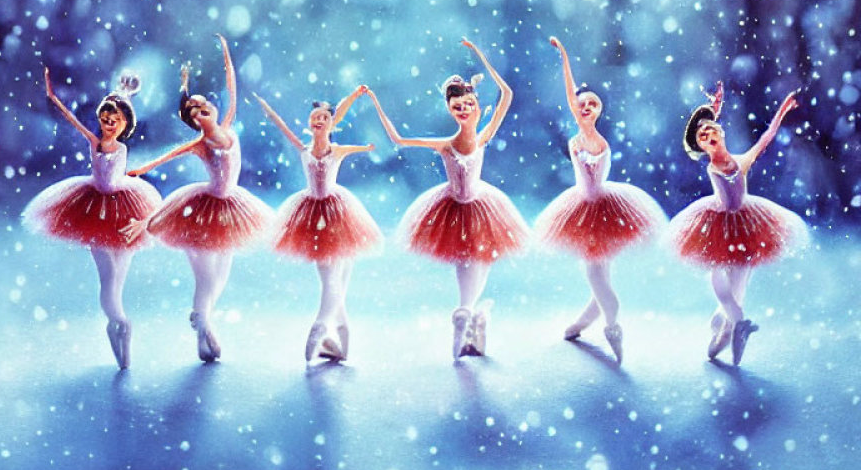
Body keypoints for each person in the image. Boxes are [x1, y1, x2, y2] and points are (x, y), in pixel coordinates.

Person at [365, 38, 529, 360]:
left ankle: (471, 318)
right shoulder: (448, 143)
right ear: (450, 110)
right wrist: (375, 102)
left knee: (482, 259)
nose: (465, 110)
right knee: (469, 259)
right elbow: (398, 138)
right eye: (458, 107)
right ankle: (465, 314)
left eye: (469, 104)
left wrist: (480, 55)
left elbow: (506, 95)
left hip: (482, 206)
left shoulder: (482, 136)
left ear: (476, 104)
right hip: (456, 209)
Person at [121, 35, 272, 362]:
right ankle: (204, 324)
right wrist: (135, 171)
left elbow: (232, 88)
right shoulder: (199, 144)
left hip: (233, 206)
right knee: (206, 277)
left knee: (222, 274)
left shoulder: (228, 123)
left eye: (206, 105)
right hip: (205, 206)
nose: (205, 109)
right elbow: (164, 158)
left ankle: (201, 315)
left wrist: (225, 56)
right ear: (194, 120)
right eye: (198, 110)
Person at [533, 37, 666, 363]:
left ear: (599, 111)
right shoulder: (578, 130)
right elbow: (570, 93)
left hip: (603, 208)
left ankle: (611, 325)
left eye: (592, 104)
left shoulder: (594, 138)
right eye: (582, 104)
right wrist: (564, 55)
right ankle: (582, 325)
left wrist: (565, 58)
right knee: (598, 275)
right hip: (582, 206)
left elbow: (573, 98)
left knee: (597, 276)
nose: (585, 107)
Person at [23, 68, 161, 370]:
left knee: (118, 278)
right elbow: (72, 120)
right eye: (105, 119)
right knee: (108, 280)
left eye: (115, 121)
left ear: (124, 125)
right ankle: (118, 321)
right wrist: (52, 96)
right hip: (93, 209)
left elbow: (117, 115)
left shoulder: (122, 146)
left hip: (125, 205)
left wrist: (125, 94)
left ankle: (118, 327)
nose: (108, 124)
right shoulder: (94, 142)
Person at [668, 82, 808, 365]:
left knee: (739, 285)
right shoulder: (712, 164)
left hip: (748, 221)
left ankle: (730, 330)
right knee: (717, 275)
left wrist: (782, 110)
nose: (708, 134)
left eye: (711, 130)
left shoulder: (742, 161)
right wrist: (713, 110)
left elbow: (767, 137)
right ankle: (738, 323)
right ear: (701, 146)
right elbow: (708, 130)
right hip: (719, 221)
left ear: (721, 132)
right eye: (702, 135)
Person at [256, 87, 381, 362]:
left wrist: (352, 97)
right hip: (314, 214)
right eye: (314, 117)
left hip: (338, 214)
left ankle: (335, 342)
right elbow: (284, 128)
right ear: (309, 124)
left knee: (339, 279)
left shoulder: (336, 149)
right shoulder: (304, 149)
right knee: (331, 279)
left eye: (324, 117)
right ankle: (322, 327)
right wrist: (270, 112)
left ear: (331, 123)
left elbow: (342, 116)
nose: (318, 120)